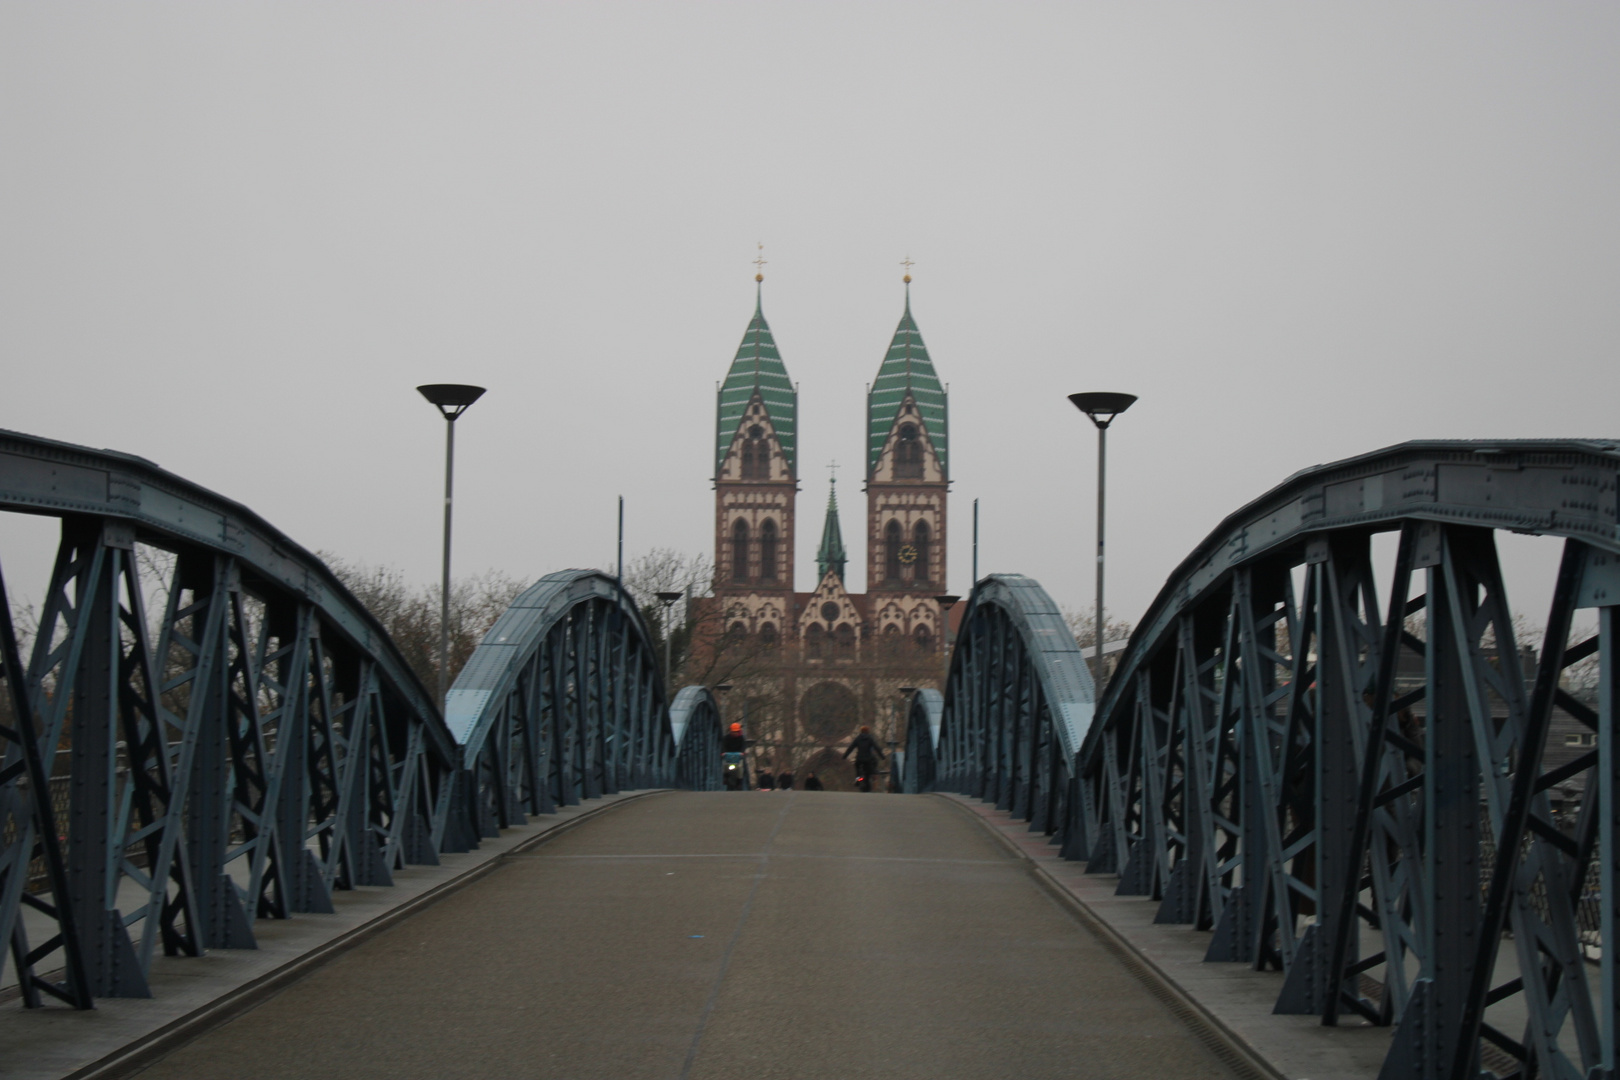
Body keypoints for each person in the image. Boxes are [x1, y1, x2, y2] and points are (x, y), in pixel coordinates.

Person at [843, 726, 885, 793]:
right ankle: (867, 781)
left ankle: (857, 780)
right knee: (868, 773)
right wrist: (882, 756)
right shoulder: (870, 739)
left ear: (861, 731)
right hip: (868, 759)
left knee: (857, 769)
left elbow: (851, 747)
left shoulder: (858, 738)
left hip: (859, 759)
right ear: (868, 732)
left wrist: (845, 756)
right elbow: (876, 747)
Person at [722, 722, 746, 791]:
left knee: (740, 768)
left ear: (738, 732)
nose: (734, 733)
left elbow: (743, 746)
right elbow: (723, 746)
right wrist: (723, 752)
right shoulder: (726, 738)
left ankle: (739, 782)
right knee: (724, 765)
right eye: (733, 732)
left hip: (738, 756)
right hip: (728, 756)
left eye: (736, 732)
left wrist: (742, 753)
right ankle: (725, 777)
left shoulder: (741, 738)